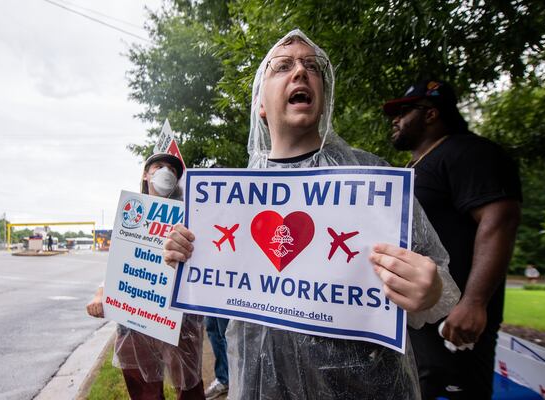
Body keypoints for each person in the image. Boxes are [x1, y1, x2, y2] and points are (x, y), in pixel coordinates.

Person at [163, 29, 460, 399]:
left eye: (312, 66)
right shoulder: (225, 201)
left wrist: (429, 290)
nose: (300, 72)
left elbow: (442, 286)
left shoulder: (374, 181)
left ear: (323, 92)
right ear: (260, 102)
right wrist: (182, 255)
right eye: (283, 66)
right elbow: (206, 286)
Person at [383, 80, 522, 399]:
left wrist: (473, 303)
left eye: (404, 111)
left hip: (454, 323)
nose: (395, 119)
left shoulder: (468, 152)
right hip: (417, 319)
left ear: (431, 113)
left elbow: (500, 218)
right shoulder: (417, 165)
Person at [86, 152, 205, 400]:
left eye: (172, 170)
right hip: (134, 320)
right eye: (159, 166)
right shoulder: (131, 214)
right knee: (144, 392)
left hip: (180, 319)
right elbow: (121, 262)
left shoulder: (193, 215)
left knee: (189, 388)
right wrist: (101, 293)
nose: (165, 172)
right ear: (145, 174)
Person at [203, 317, 229, 399]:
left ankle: (233, 382)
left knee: (226, 332)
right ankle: (223, 379)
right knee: (212, 328)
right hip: (211, 304)